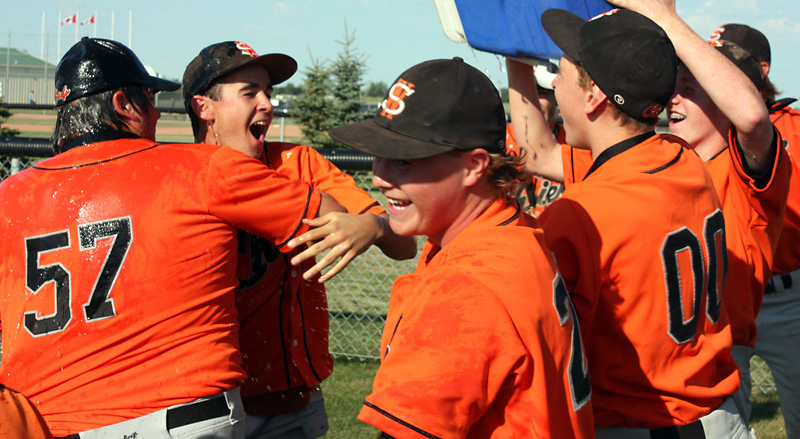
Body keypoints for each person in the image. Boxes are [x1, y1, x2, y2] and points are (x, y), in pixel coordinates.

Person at [0, 37, 343, 438]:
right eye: (149, 99)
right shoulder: (199, 168)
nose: (158, 113)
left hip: (53, 422)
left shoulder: (8, 196)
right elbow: (330, 215)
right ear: (123, 105)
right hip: (183, 413)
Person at [507, 7, 748, 436]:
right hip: (722, 418)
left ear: (595, 97)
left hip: (642, 422)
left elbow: (548, 348)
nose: (554, 84)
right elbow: (545, 156)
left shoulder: (579, 213)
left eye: (561, 73)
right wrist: (514, 64)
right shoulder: (682, 158)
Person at [328, 57, 595, 438]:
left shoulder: (465, 286)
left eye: (403, 160)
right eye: (378, 155)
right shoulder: (514, 229)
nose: (379, 177)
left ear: (473, 166)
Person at [182, 41, 417, 439]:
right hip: (203, 401)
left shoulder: (299, 164)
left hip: (290, 402)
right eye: (250, 93)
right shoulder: (177, 179)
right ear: (204, 108)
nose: (267, 104)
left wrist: (375, 227)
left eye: (268, 92)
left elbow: (404, 245)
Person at [603, 0, 791, 429]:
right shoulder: (660, 156)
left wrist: (669, 20)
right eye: (675, 85)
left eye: (692, 86)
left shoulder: (747, 163)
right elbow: (542, 154)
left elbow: (752, 117)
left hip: (742, 332)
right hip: (670, 350)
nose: (675, 97)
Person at [712, 22, 800, 436]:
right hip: (727, 301)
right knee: (728, 421)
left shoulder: (791, 126)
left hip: (789, 298)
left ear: (760, 70)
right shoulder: (704, 132)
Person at [505, 64, 568, 217]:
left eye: (541, 93)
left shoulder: (573, 143)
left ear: (557, 97)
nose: (533, 101)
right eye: (526, 93)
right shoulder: (499, 141)